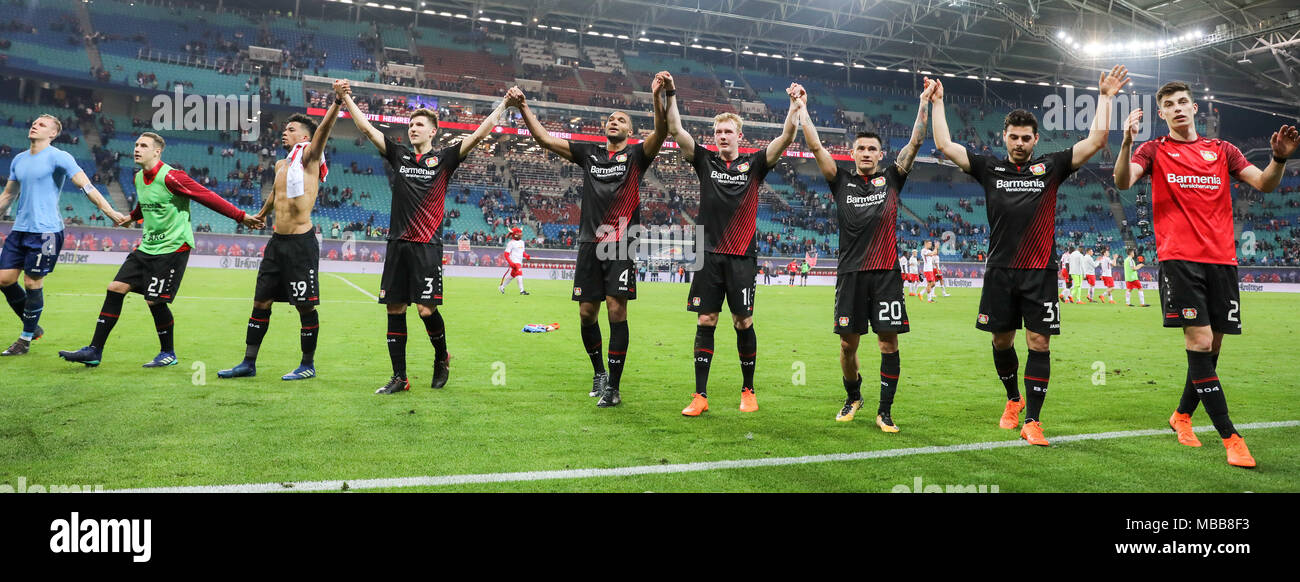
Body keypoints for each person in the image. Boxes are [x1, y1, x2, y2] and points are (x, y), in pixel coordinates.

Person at [929, 65, 1128, 445]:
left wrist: (1105, 98)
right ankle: (1013, 399)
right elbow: (945, 145)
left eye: (1025, 138)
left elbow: (1096, 141)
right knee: (1001, 341)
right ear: (1004, 137)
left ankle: (1033, 421)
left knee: (1039, 343)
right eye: (1013, 137)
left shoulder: (1051, 167)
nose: (1019, 143)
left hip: (1040, 272)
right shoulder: (989, 167)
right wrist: (938, 103)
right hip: (1001, 271)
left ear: (1036, 138)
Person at [1114, 80, 1298, 467]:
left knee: (1211, 349)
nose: (1177, 108)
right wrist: (1127, 141)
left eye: (1183, 101)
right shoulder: (1154, 150)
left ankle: (1181, 415)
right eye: (1169, 104)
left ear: (1195, 108)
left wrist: (1278, 160)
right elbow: (1123, 180)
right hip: (1179, 260)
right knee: (1199, 343)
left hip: (1222, 262)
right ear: (1162, 113)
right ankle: (1231, 437)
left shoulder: (1223, 150)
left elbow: (1264, 183)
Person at [339, 81, 515, 394]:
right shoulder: (400, 156)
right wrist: (346, 98)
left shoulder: (445, 159)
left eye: (419, 125)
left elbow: (478, 135)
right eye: (410, 125)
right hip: (398, 245)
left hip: (427, 247)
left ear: (433, 131)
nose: (413, 129)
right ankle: (399, 378)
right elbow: (367, 129)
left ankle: (441, 357)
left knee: (425, 310)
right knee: (394, 309)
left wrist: (504, 104)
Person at [511, 78, 668, 408]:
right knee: (586, 313)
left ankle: (614, 387)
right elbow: (544, 139)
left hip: (621, 242)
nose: (614, 121)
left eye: (621, 119)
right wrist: (523, 107)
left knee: (616, 309)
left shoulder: (637, 155)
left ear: (630, 131)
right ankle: (599, 373)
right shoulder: (590, 154)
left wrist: (657, 96)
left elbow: (662, 130)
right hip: (589, 243)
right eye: (610, 119)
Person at [662, 70, 802, 417]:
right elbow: (676, 130)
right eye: (718, 132)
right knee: (706, 320)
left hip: (741, 257)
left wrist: (794, 105)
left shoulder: (754, 164)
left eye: (728, 131)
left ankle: (748, 390)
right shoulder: (705, 161)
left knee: (743, 322)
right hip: (708, 255)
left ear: (740, 136)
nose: (722, 136)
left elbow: (787, 136)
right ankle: (700, 395)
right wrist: (671, 93)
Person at [58, 132, 263, 367]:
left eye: (143, 145)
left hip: (173, 247)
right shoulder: (138, 177)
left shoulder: (173, 177)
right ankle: (94, 351)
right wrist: (131, 217)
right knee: (115, 288)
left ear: (157, 152)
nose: (137, 149)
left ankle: (168, 353)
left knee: (154, 301)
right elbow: (145, 203)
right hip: (148, 246)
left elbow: (207, 197)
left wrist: (241, 216)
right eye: (136, 144)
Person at [803, 80, 933, 432]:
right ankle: (853, 396)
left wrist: (924, 102)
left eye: (871, 149)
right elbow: (815, 146)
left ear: (880, 154)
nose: (865, 153)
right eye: (860, 148)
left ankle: (885, 411)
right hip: (851, 275)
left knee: (888, 342)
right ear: (852, 152)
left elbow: (915, 141)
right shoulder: (840, 180)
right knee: (848, 345)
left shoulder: (892, 179)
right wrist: (801, 109)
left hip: (886, 275)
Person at [217, 80, 344, 381]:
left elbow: (323, 132)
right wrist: (260, 215)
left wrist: (337, 103)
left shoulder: (310, 157)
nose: (284, 133)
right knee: (261, 302)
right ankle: (248, 363)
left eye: (290, 129)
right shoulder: (281, 165)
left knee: (304, 307)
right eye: (284, 129)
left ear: (304, 136)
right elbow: (276, 194)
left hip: (301, 243)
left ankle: (307, 364)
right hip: (277, 243)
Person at [0, 114, 126, 356]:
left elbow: (86, 185)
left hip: (46, 231)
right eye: (34, 122)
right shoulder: (19, 159)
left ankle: (25, 339)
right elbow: (8, 195)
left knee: (32, 282)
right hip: (20, 229)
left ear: (53, 134)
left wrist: (110, 211)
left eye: (42, 124)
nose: (35, 125)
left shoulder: (59, 157)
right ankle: (33, 326)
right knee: (4, 279)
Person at [500, 226, 531, 295]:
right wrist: (510, 262)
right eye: (518, 234)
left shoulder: (522, 242)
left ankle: (502, 287)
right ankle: (522, 291)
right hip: (514, 261)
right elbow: (506, 254)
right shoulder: (511, 243)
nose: (520, 235)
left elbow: (522, 252)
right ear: (515, 234)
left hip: (519, 261)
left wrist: (526, 256)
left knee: (512, 276)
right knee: (519, 273)